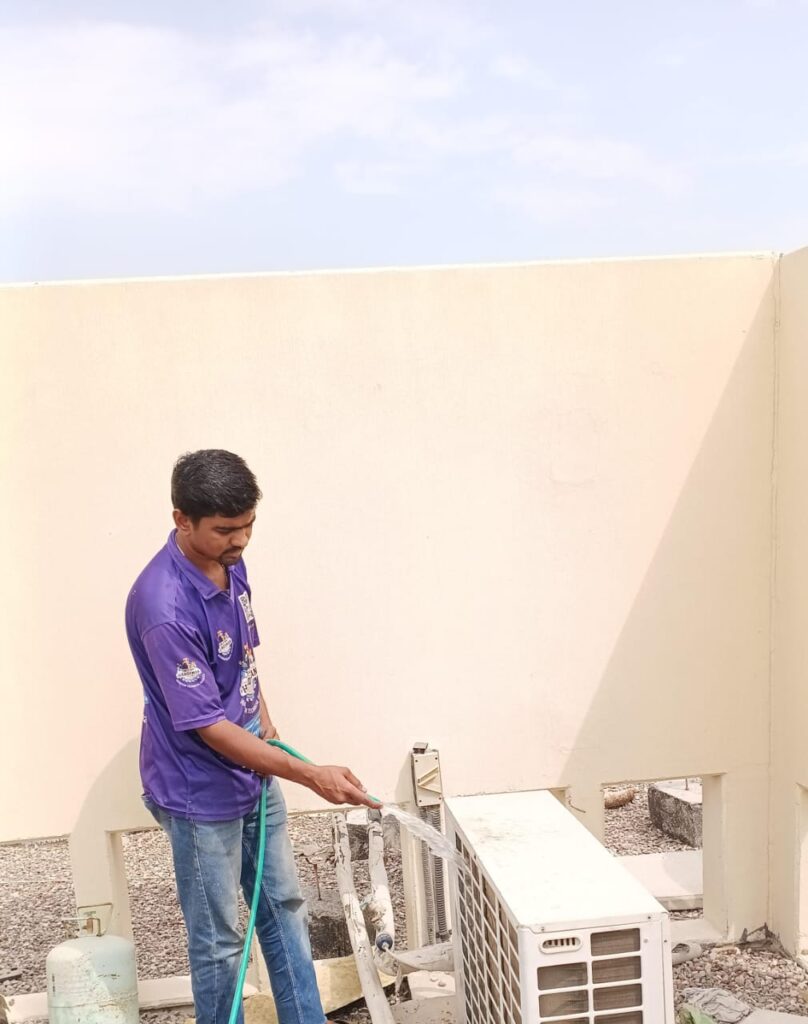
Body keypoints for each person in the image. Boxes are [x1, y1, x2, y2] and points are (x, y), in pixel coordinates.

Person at [125, 449, 378, 1024]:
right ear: (181, 519)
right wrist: (309, 774)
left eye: (248, 526)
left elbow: (242, 653)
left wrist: (262, 714)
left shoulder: (231, 562)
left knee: (284, 907)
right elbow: (209, 726)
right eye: (225, 530)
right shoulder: (163, 605)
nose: (240, 540)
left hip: (253, 771)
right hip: (200, 791)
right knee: (219, 942)